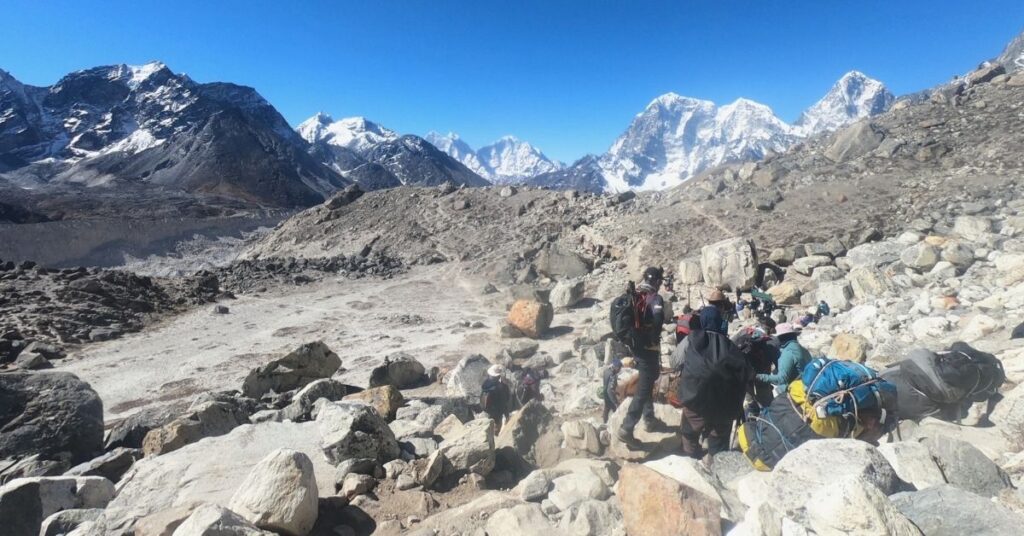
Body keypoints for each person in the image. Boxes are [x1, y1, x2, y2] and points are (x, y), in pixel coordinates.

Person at [676, 305, 754, 459]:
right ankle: (716, 468)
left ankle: (690, 462)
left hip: (694, 400)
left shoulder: (691, 339)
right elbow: (747, 374)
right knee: (719, 443)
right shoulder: (732, 347)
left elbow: (674, 362)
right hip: (724, 407)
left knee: (689, 434)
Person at [616, 266, 671, 445]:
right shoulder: (655, 298)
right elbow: (657, 317)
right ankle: (627, 427)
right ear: (657, 281)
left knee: (646, 383)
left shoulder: (636, 295)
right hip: (648, 349)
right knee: (643, 389)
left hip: (636, 347)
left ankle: (648, 419)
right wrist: (653, 336)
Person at [755, 323, 812, 395]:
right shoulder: (802, 349)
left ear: (780, 338)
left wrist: (758, 376)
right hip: (807, 385)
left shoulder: (788, 352)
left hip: (796, 391)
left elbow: (781, 379)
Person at [481, 364, 511, 432]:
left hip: (487, 410)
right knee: (496, 428)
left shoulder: (485, 384)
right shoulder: (501, 387)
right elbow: (504, 402)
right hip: (497, 412)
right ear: (498, 376)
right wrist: (507, 415)